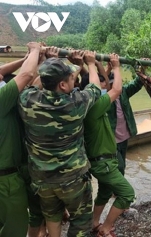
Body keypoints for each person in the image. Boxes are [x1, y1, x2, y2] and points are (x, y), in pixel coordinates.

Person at [18, 51, 101, 237]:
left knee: (52, 218)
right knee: (80, 221)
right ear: (63, 85)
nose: (75, 79)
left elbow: (34, 82)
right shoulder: (76, 103)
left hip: (42, 180)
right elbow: (95, 88)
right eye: (72, 78)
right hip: (73, 179)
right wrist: (91, 63)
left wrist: (47, 62)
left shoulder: (27, 101)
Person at [80, 55, 135, 237]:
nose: (105, 86)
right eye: (102, 83)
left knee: (104, 191)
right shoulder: (95, 107)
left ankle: (95, 222)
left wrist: (97, 65)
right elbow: (116, 89)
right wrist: (117, 67)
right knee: (127, 194)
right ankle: (105, 228)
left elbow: (108, 87)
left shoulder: (85, 103)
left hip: (100, 161)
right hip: (103, 163)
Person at [0, 42, 40, 237]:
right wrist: (36, 50)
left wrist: (29, 59)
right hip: (5, 181)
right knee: (15, 229)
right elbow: (27, 76)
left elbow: (31, 83)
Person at [107, 67, 145, 176]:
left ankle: (117, 190)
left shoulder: (124, 92)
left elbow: (137, 83)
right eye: (111, 84)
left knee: (122, 164)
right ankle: (119, 190)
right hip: (112, 139)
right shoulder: (104, 98)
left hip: (124, 137)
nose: (115, 86)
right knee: (119, 166)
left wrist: (142, 70)